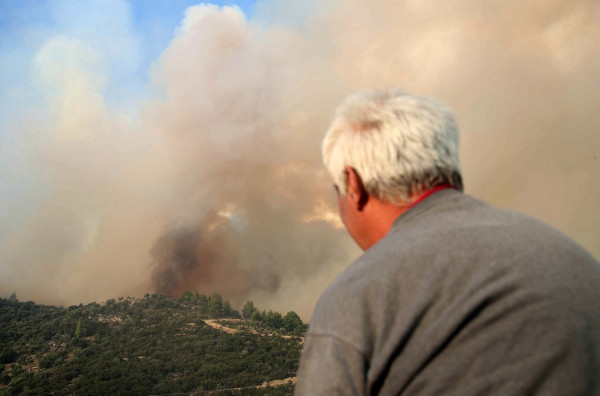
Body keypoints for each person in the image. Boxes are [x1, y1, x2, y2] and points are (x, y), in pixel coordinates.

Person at [295, 89, 600, 395]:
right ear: (448, 167)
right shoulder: (576, 262)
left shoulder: (359, 297)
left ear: (353, 184)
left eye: (337, 188)